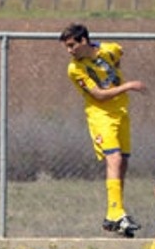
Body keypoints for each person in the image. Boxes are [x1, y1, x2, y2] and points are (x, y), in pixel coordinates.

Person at [59, 23, 146, 237]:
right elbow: (98, 95)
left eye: (72, 45)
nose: (69, 51)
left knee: (123, 162)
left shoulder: (108, 49)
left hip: (121, 113)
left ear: (84, 41)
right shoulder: (75, 69)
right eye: (67, 47)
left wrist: (113, 71)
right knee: (114, 159)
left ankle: (114, 214)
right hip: (101, 116)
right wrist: (128, 86)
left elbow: (118, 52)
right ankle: (117, 213)